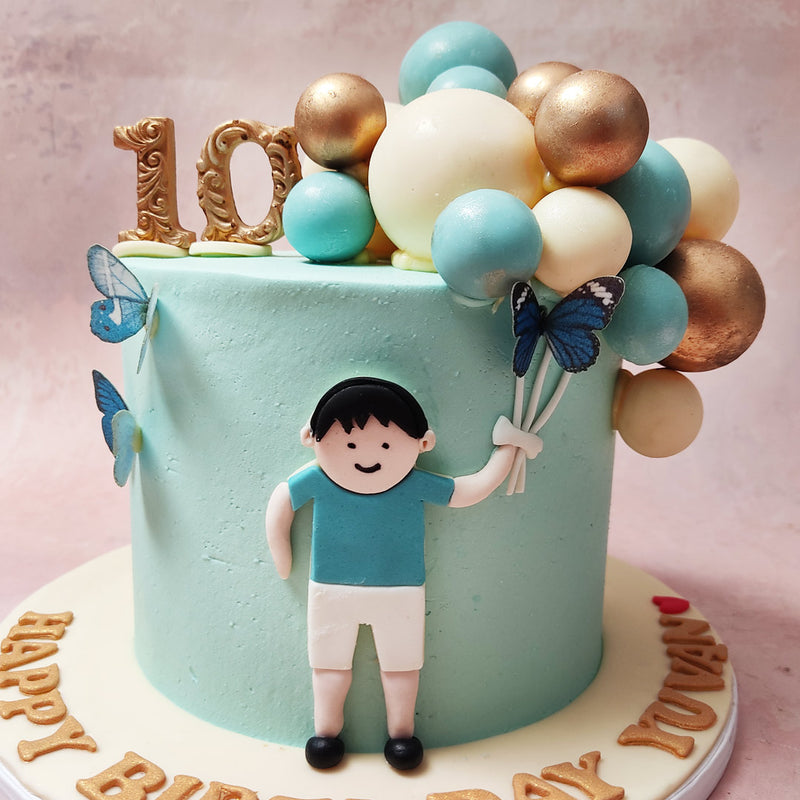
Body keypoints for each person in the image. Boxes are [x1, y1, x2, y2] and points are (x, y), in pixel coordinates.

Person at [266, 377, 542, 770]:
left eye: (384, 444)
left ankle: (401, 736)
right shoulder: (317, 480)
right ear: (311, 437)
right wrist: (281, 554)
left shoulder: (412, 483)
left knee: (399, 667)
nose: (368, 456)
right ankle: (325, 734)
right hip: (331, 591)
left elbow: (469, 490)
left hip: (400, 594)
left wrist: (507, 451)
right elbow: (281, 504)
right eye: (348, 445)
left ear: (423, 443)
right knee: (329, 665)